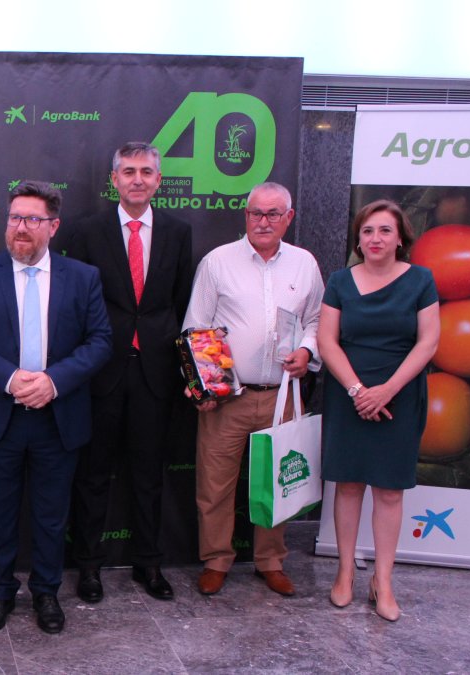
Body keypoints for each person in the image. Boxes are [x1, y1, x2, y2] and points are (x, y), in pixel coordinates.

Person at [0, 180, 111, 634]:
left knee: (51, 513)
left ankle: (46, 592)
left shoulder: (83, 277)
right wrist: (11, 378)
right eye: (15, 218)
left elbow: (100, 343)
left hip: (57, 417)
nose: (21, 228)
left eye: (33, 220)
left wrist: (53, 382)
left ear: (53, 227)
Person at [65, 142, 193, 602]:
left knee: (148, 476)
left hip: (156, 374)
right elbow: (75, 303)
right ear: (114, 179)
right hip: (100, 372)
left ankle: (149, 564)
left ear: (159, 180)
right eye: (128, 171)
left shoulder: (179, 233)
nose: (137, 179)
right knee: (93, 476)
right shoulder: (87, 232)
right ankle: (89, 567)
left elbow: (178, 304)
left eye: (146, 171)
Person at [182, 181, 324, 598]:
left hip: (284, 394)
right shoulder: (217, 262)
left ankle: (270, 561)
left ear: (288, 218)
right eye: (255, 213)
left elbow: (315, 321)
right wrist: (206, 388)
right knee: (215, 484)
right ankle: (216, 560)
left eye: (273, 214)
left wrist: (306, 348)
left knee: (277, 481)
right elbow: (196, 327)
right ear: (245, 216)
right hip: (230, 397)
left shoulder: (304, 264)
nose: (263, 221)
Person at [317, 200, 439, 622]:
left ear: (400, 238)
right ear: (358, 238)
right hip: (347, 394)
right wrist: (357, 390)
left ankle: (383, 581)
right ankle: (345, 573)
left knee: (389, 490)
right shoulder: (339, 281)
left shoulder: (421, 280)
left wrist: (386, 390)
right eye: (368, 231)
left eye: (385, 231)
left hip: (399, 395)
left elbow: (428, 343)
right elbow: (327, 341)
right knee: (348, 486)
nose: (375, 239)